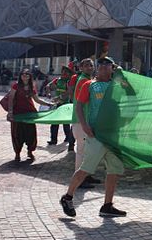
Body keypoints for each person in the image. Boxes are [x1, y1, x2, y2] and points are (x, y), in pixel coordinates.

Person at [59, 57, 127, 218]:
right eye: (101, 66)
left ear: (112, 68)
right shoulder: (89, 85)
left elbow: (131, 92)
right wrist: (84, 125)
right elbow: (79, 106)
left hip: (113, 135)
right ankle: (68, 197)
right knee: (86, 168)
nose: (103, 68)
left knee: (113, 170)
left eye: (107, 66)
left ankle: (107, 205)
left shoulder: (116, 85)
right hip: (96, 134)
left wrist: (121, 73)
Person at [5, 69, 50, 162]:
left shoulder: (31, 86)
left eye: (27, 75)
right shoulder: (16, 86)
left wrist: (49, 104)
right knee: (17, 134)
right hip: (17, 114)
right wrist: (10, 112)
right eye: (23, 74)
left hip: (30, 113)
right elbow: (11, 99)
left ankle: (30, 152)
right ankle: (17, 153)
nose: (24, 76)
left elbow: (37, 100)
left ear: (30, 76)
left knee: (31, 134)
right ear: (20, 76)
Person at [69, 59, 98, 187]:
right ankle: (80, 179)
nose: (89, 67)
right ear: (81, 68)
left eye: (91, 65)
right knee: (81, 150)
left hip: (83, 120)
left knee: (87, 151)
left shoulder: (86, 79)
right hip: (81, 121)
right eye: (86, 65)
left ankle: (86, 175)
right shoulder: (83, 81)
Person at [46, 65, 75, 150]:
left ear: (69, 74)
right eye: (63, 71)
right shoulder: (57, 80)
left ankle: (68, 138)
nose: (64, 73)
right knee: (54, 123)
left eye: (66, 72)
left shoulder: (69, 82)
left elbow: (68, 92)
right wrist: (48, 92)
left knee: (66, 123)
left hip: (65, 104)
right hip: (57, 104)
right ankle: (53, 139)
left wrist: (60, 97)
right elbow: (48, 85)